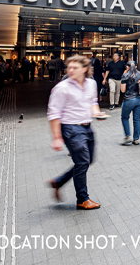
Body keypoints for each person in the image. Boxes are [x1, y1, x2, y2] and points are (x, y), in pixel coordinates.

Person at [46, 55, 105, 210]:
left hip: (87, 126)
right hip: (70, 128)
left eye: (75, 67)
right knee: (82, 162)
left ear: (85, 69)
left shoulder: (91, 83)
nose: (70, 70)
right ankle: (82, 199)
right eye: (69, 67)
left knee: (88, 160)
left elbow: (93, 102)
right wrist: (56, 138)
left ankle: (58, 182)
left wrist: (97, 113)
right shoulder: (61, 88)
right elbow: (54, 114)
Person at [120, 61, 140, 145]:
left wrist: (123, 75)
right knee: (137, 119)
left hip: (129, 100)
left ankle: (127, 136)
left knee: (124, 117)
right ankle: (136, 139)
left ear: (127, 67)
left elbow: (123, 90)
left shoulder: (125, 75)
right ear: (136, 66)